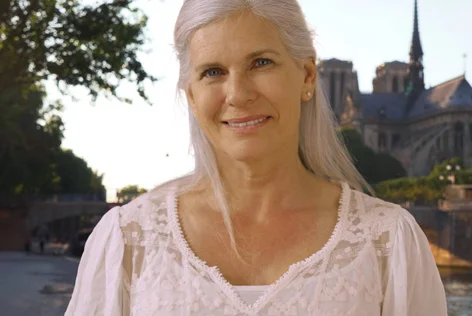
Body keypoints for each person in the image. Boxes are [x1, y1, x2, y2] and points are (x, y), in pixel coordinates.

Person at [65, 0, 447, 315]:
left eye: (261, 62)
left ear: (308, 76)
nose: (238, 93)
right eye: (213, 71)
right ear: (192, 96)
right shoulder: (127, 240)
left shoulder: (390, 242)